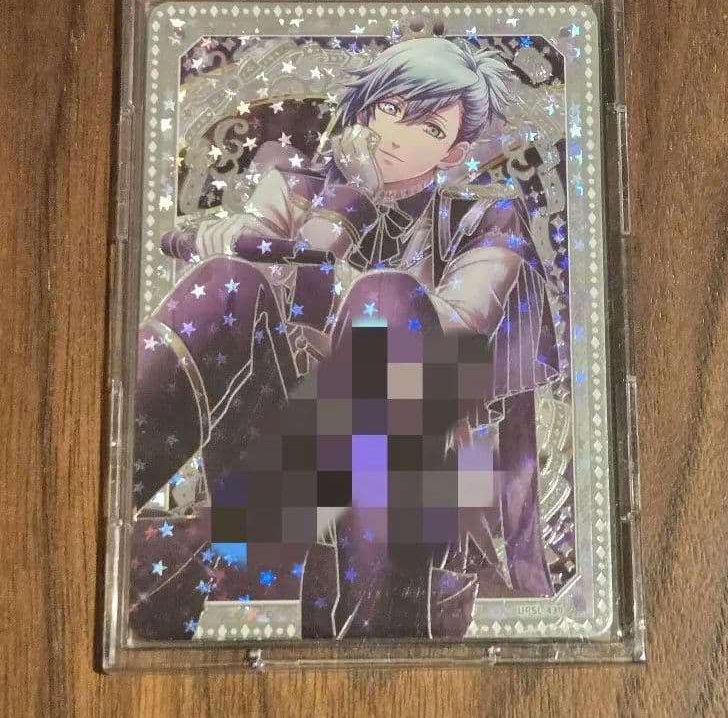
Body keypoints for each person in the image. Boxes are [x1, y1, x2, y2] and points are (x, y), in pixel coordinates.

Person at [130, 36, 559, 640]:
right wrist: (250, 240)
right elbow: (253, 259)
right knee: (228, 282)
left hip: (399, 467)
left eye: (429, 128)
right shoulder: (297, 186)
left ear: (454, 151)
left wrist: (342, 227)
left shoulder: (485, 217)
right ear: (367, 105)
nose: (397, 135)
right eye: (392, 108)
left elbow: (460, 329)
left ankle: (378, 617)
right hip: (274, 457)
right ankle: (97, 506)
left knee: (387, 302)